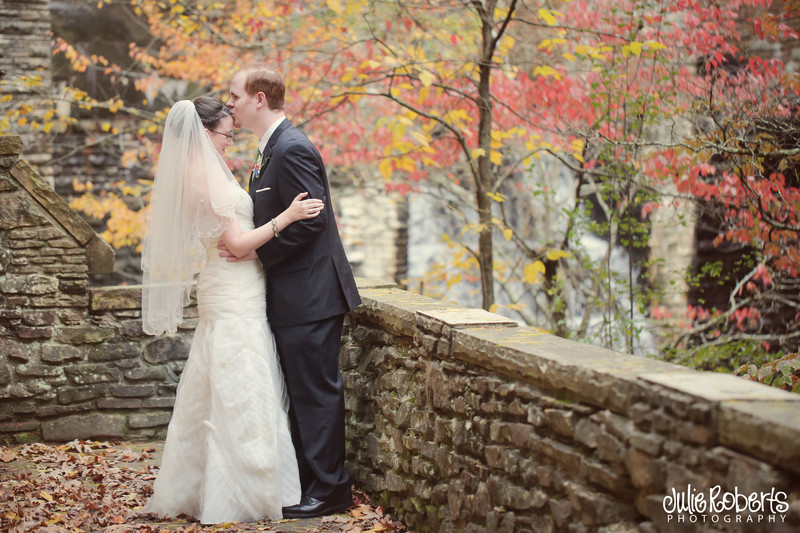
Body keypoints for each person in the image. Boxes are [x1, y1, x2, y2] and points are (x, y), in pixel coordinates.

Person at [140, 97, 324, 524]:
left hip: (236, 286)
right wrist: (289, 216)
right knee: (239, 383)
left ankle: (223, 484)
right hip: (232, 291)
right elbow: (238, 245)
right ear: (205, 133)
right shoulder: (202, 176)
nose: (229, 140)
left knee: (224, 384)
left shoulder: (205, 171)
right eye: (225, 133)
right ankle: (240, 493)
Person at [225, 64, 361, 519]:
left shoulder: (293, 148)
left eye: (235, 97)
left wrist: (257, 254)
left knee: (317, 392)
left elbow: (314, 221)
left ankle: (332, 489)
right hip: (294, 296)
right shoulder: (270, 150)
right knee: (301, 392)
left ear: (259, 98)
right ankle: (310, 483)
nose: (230, 105)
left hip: (311, 296)